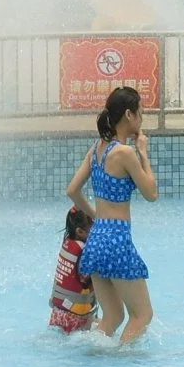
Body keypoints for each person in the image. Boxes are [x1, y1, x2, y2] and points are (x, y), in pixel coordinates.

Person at [66, 86, 158, 344]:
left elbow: (72, 190)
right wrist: (143, 152)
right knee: (142, 315)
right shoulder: (125, 153)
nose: (142, 118)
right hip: (117, 240)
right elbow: (151, 193)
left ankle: (92, 359)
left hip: (96, 241)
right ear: (129, 115)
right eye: (140, 112)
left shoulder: (97, 150)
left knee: (113, 317)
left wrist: (97, 217)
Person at [49, 206, 97, 333]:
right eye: (95, 229)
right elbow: (91, 280)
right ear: (80, 232)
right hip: (75, 316)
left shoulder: (68, 243)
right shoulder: (84, 252)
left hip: (58, 312)